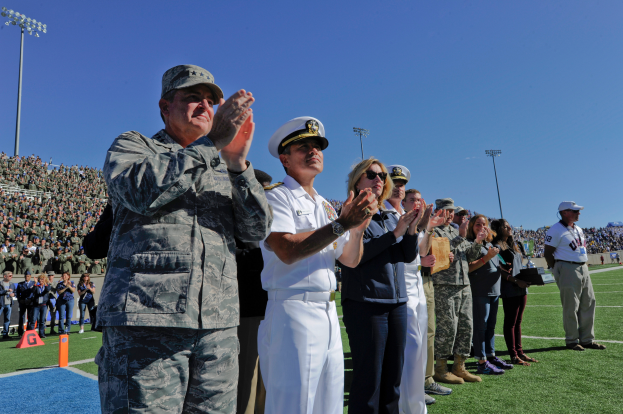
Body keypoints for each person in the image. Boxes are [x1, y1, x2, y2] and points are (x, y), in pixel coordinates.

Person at [96, 64, 272, 413]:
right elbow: (140, 193)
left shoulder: (224, 167)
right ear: (164, 107)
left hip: (218, 330)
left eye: (211, 101)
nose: (205, 106)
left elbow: (256, 232)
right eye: (192, 98)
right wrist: (211, 145)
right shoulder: (135, 146)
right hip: (148, 327)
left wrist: (237, 165)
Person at [259, 117, 375, 414]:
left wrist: (357, 228)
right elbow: (286, 249)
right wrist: (341, 225)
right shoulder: (276, 197)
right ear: (284, 159)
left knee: (330, 404)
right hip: (292, 310)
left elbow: (348, 259)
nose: (313, 152)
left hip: (326, 312)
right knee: (293, 406)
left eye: (317, 147)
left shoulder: (325, 205)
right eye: (303, 147)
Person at [341, 158, 422, 414]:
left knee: (392, 383)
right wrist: (395, 234)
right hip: (367, 305)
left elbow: (407, 256)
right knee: (369, 383)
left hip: (396, 302)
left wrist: (410, 231)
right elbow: (357, 258)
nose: (379, 179)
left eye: (382, 176)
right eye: (372, 174)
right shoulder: (349, 213)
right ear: (357, 180)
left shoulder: (388, 215)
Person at [419, 198, 485, 384]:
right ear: (439, 211)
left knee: (466, 326)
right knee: (448, 328)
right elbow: (442, 254)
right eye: (448, 211)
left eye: (452, 212)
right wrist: (461, 237)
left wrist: (477, 242)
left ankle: (459, 366)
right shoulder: (434, 231)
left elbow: (469, 255)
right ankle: (440, 368)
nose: (451, 215)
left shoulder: (454, 231)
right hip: (445, 286)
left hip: (464, 285)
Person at [543, 202, 605, 352]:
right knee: (571, 306)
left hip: (583, 266)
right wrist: (556, 269)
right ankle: (571, 339)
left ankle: (587, 339)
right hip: (567, 267)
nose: (579, 213)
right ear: (564, 212)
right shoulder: (555, 229)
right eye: (575, 210)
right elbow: (548, 252)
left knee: (589, 302)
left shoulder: (578, 229)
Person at [236, 169, 272, 414]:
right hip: (250, 310)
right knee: (247, 380)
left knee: (267, 384)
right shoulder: (238, 219)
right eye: (264, 192)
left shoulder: (271, 222)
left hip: (273, 310)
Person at [466, 215, 513, 374]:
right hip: (480, 290)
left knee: (491, 326)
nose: (481, 227)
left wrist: (505, 268)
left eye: (484, 224)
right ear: (471, 227)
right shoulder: (471, 244)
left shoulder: (489, 244)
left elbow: (497, 264)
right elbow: (469, 268)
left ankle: (490, 355)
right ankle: (481, 362)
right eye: (477, 224)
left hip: (494, 290)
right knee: (480, 327)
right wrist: (487, 257)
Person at [491, 219, 538, 365]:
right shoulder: (497, 246)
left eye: (508, 225)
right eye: (505, 226)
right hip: (510, 287)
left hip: (521, 286)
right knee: (510, 322)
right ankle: (513, 355)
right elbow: (500, 270)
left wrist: (530, 277)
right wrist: (516, 281)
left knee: (518, 322)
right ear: (498, 229)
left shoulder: (512, 244)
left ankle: (520, 352)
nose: (509, 228)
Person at [30, 274, 51, 338]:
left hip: (44, 305)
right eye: (40, 279)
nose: (41, 280)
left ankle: (41, 334)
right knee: (33, 320)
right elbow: (33, 291)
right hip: (36, 305)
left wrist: (45, 283)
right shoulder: (37, 286)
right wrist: (35, 283)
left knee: (42, 320)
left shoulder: (47, 286)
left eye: (42, 279)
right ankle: (31, 334)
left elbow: (47, 290)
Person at [16, 271, 35, 337]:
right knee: (21, 317)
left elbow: (35, 292)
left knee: (30, 317)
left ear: (30, 276)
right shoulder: (20, 284)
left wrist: (32, 299)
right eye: (26, 276)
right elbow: (17, 294)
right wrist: (20, 300)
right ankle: (20, 332)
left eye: (28, 276)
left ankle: (28, 331)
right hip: (23, 302)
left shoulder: (33, 283)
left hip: (30, 302)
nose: (27, 277)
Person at [1, 271, 17, 339]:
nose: (11, 277)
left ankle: (5, 334)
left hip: (9, 303)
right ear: (5, 276)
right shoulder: (0, 283)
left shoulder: (12, 284)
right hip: (1, 304)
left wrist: (14, 294)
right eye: (10, 276)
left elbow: (16, 292)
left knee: (7, 319)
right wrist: (6, 291)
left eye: (11, 276)